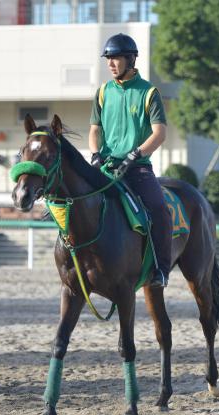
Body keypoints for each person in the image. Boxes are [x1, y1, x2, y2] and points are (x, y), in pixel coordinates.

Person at [88, 33, 171, 288]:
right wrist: (94, 153)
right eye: (108, 59)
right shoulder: (102, 92)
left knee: (160, 210)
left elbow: (160, 133)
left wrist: (137, 154)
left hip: (138, 169)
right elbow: (94, 130)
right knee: (76, 200)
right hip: (106, 167)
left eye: (115, 58)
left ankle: (161, 270)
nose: (111, 63)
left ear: (131, 59)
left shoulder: (149, 92)